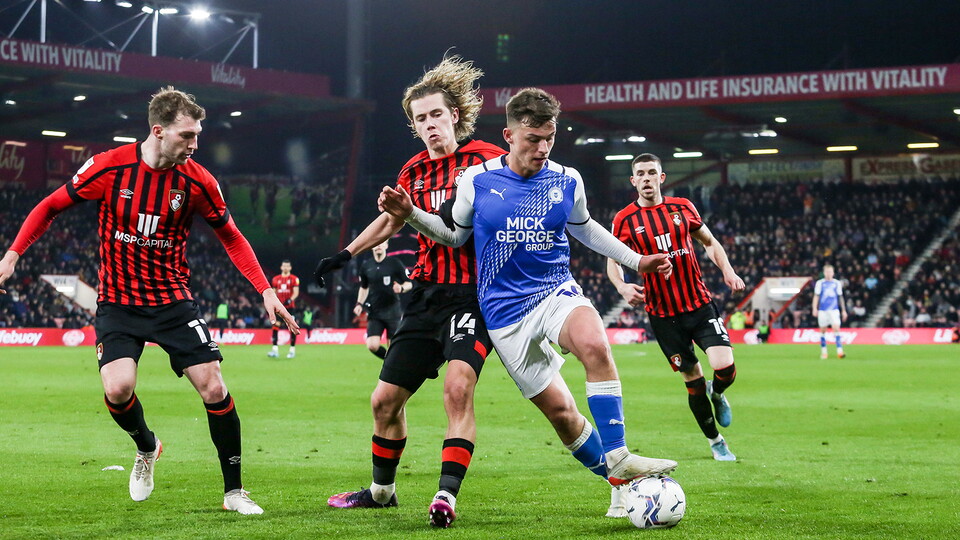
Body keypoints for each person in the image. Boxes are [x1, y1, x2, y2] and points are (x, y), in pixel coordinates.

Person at [380, 88, 678, 518]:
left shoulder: (566, 179)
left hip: (554, 291)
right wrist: (410, 213)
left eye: (549, 139)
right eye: (532, 139)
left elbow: (585, 228)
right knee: (563, 415)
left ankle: (619, 456)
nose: (541, 148)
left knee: (595, 344)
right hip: (504, 315)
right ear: (509, 135)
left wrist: (636, 260)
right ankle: (619, 485)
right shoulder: (477, 181)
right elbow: (453, 236)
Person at [0, 87, 298, 515]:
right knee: (118, 389)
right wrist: (12, 255)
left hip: (173, 301)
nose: (195, 144)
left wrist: (266, 290)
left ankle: (234, 492)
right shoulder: (108, 168)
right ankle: (147, 446)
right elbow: (49, 206)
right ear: (158, 131)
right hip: (119, 303)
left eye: (198, 135)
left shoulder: (199, 181)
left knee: (213, 385)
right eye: (187, 136)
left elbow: (231, 236)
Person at [314, 55, 506, 528]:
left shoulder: (486, 160)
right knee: (384, 402)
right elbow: (392, 217)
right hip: (423, 298)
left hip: (472, 299)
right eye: (420, 119)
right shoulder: (414, 170)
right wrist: (348, 252)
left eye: (436, 114)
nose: (429, 125)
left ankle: (446, 496)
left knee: (458, 389)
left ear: (454, 115)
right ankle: (381, 493)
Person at [606, 153, 743, 469]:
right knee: (692, 380)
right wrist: (622, 287)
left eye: (651, 172)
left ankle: (719, 393)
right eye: (640, 173)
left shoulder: (683, 208)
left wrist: (727, 270)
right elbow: (612, 259)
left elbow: (709, 242)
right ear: (633, 181)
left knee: (725, 365)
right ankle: (716, 443)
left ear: (661, 177)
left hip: (698, 303)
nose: (646, 178)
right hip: (663, 315)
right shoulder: (624, 220)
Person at [354, 240, 412, 359]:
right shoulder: (366, 266)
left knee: (393, 348)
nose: (379, 245)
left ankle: (392, 364)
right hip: (375, 312)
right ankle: (389, 361)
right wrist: (359, 303)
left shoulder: (395, 263)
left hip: (393, 311)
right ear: (372, 247)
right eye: (376, 243)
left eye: (382, 243)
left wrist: (401, 288)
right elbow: (364, 288)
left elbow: (409, 283)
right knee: (372, 345)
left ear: (386, 245)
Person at [812, 264, 847, 359]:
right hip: (823, 310)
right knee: (823, 330)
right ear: (824, 273)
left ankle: (840, 351)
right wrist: (814, 308)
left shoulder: (837, 283)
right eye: (827, 272)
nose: (828, 274)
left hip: (834, 310)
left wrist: (843, 310)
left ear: (833, 273)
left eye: (830, 272)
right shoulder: (820, 283)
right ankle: (824, 352)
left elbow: (840, 297)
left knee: (836, 328)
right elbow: (816, 296)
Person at [268, 259, 300, 358]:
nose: (285, 267)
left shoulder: (294, 279)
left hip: (290, 308)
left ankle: (292, 350)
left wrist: (290, 300)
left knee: (292, 327)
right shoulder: (276, 279)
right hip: (279, 308)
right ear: (281, 267)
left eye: (287, 266)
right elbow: (273, 293)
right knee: (275, 326)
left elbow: (296, 292)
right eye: (284, 266)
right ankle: (275, 350)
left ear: (290, 268)